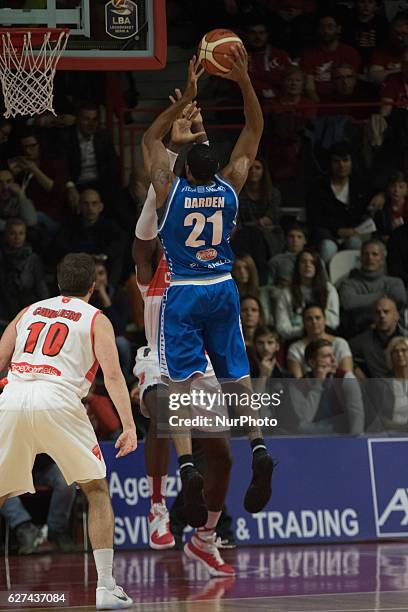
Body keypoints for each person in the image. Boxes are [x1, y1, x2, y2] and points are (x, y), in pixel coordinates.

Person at [142, 49, 274, 537]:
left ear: (183, 169)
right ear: (215, 167)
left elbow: (149, 139)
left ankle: (187, 468)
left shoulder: (168, 189)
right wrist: (243, 83)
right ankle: (259, 446)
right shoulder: (233, 184)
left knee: (177, 386)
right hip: (222, 287)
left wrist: (187, 101)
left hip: (184, 292)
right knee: (237, 376)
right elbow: (253, 132)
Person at [0, 252, 137, 610]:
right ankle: (106, 587)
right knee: (95, 489)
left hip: (13, 396)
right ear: (94, 285)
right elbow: (112, 375)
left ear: (58, 283)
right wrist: (129, 425)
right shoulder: (96, 318)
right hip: (59, 399)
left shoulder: (28, 311)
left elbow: (0, 360)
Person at [133, 109, 234, 576]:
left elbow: (204, 190)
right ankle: (157, 507)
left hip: (199, 363)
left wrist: (200, 146)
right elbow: (163, 195)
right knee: (163, 404)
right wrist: (174, 146)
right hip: (156, 360)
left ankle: (206, 537)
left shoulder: (206, 270)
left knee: (226, 454)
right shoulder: (149, 263)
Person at [288, 338, 365, 434]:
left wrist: (356, 444)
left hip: (343, 432)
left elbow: (356, 414)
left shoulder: (346, 378)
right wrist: (318, 384)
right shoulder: (297, 386)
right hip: (313, 434)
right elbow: (306, 418)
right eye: (327, 356)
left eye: (333, 355)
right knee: (302, 427)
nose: (333, 360)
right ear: (312, 363)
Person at [339, 239, 406, 336]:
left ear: (382, 259)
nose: (370, 258)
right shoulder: (348, 283)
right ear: (361, 258)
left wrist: (362, 302)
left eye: (375, 254)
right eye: (366, 254)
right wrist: (382, 295)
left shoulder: (395, 282)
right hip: (359, 334)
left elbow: (400, 298)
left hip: (394, 336)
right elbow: (348, 302)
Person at [275, 248, 340, 341]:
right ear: (297, 266)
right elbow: (282, 328)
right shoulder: (286, 293)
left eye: (312, 262)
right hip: (296, 339)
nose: (308, 265)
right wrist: (305, 330)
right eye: (303, 262)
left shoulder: (328, 289)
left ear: (317, 266)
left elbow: (334, 321)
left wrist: (314, 328)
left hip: (324, 338)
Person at [287, 304, 353, 378]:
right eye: (309, 319)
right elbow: (297, 383)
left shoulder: (341, 343)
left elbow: (347, 377)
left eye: (318, 318)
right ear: (304, 323)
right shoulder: (295, 348)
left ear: (325, 320)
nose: (314, 322)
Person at [349, 296, 408, 378]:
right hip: (378, 387)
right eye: (377, 312)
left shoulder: (406, 337)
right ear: (373, 317)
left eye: (386, 312)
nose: (382, 316)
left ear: (397, 316)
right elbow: (344, 352)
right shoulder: (364, 341)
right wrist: (355, 369)